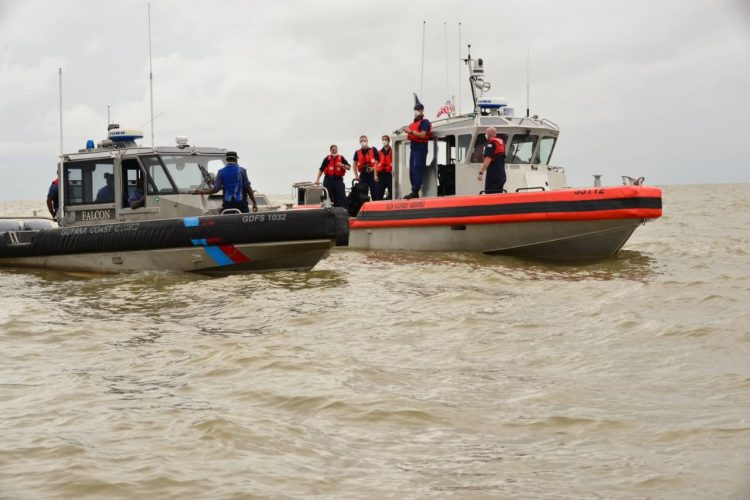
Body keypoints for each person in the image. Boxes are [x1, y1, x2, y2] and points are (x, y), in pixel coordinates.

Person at [193, 151, 258, 213]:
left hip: (228, 205)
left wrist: (201, 192)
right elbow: (248, 188)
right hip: (242, 205)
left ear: (226, 160)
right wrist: (254, 202)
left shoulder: (221, 172)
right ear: (236, 160)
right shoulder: (242, 171)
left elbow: (216, 189)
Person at [399, 94, 431, 199]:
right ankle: (414, 191)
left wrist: (410, 131)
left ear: (422, 111)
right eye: (415, 109)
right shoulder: (412, 123)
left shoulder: (425, 122)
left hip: (421, 147)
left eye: (418, 109)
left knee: (418, 168)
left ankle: (416, 189)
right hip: (413, 148)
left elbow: (422, 134)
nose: (416, 111)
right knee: (412, 169)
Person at [314, 144, 350, 210]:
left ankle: (344, 211)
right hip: (328, 179)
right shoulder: (326, 159)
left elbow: (349, 167)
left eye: (336, 150)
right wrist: (317, 179)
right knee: (327, 195)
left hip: (338, 180)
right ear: (330, 151)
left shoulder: (341, 158)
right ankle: (328, 211)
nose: (334, 151)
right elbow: (321, 169)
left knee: (341, 195)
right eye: (333, 150)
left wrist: (342, 165)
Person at [476, 126, 506, 194]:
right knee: (499, 194)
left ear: (488, 134)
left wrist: (481, 172)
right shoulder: (501, 143)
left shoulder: (491, 144)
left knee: (490, 193)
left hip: (493, 176)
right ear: (495, 134)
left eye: (486, 133)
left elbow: (488, 159)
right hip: (501, 175)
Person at [352, 135, 379, 200]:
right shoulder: (357, 152)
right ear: (359, 142)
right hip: (363, 175)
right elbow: (354, 164)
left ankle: (375, 207)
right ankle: (364, 208)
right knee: (362, 195)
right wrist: (356, 175)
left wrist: (373, 170)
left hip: (372, 174)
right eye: (361, 141)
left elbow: (377, 162)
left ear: (367, 141)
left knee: (375, 193)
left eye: (364, 140)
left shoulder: (373, 149)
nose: (363, 142)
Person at [374, 134, 393, 200]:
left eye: (385, 139)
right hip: (381, 174)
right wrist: (375, 175)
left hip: (390, 174)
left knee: (392, 191)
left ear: (389, 141)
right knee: (379, 193)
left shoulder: (393, 151)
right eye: (383, 140)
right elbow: (376, 164)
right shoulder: (379, 152)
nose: (384, 141)